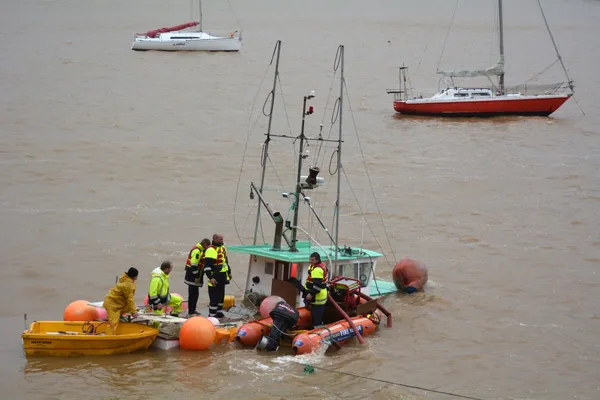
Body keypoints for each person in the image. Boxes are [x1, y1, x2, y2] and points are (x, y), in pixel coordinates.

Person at [102, 267, 139, 335]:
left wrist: (133, 310)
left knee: (127, 308)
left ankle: (121, 321)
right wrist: (134, 312)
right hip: (112, 304)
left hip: (118, 303)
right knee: (113, 322)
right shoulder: (128, 284)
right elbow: (129, 299)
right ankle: (108, 338)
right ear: (134, 276)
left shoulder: (125, 279)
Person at [203, 233, 231, 318]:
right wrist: (210, 278)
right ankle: (212, 314)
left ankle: (219, 311)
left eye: (222, 239)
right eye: (220, 239)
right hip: (214, 276)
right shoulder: (211, 250)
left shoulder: (222, 248)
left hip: (222, 276)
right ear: (214, 239)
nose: (222, 241)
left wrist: (229, 272)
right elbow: (207, 266)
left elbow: (225, 261)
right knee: (214, 297)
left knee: (221, 295)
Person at [184, 238, 211, 316]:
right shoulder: (197, 251)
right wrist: (196, 276)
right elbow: (194, 264)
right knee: (192, 294)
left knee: (195, 294)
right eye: (208, 246)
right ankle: (191, 312)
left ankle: (193, 310)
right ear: (205, 244)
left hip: (195, 275)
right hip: (192, 276)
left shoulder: (201, 250)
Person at [303, 252, 329, 327]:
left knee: (316, 316)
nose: (311, 261)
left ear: (317, 260)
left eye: (313, 260)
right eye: (310, 259)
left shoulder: (317, 270)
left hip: (317, 297)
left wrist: (311, 294)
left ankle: (318, 328)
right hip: (314, 294)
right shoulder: (314, 266)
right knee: (315, 314)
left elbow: (317, 286)